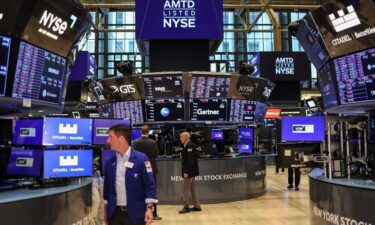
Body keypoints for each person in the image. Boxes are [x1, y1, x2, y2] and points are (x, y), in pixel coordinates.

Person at [103, 124, 157, 225]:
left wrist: (149, 208)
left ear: (121, 139)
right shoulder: (110, 162)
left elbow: (149, 185)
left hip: (135, 215)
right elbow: (107, 191)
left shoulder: (142, 159)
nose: (108, 140)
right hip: (114, 215)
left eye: (110, 137)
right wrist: (105, 214)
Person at [133, 125, 162, 220]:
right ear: (148, 132)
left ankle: (140, 213)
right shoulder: (153, 142)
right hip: (151, 170)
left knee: (139, 191)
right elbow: (157, 154)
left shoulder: (135, 142)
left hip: (138, 170)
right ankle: (154, 214)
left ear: (141, 132)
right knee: (152, 191)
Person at [179, 132, 201, 214]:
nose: (180, 138)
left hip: (189, 172)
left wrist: (186, 172)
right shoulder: (188, 145)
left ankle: (186, 207)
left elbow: (190, 161)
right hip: (192, 172)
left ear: (185, 137)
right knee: (193, 189)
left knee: (186, 190)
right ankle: (197, 206)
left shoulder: (190, 146)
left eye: (181, 137)